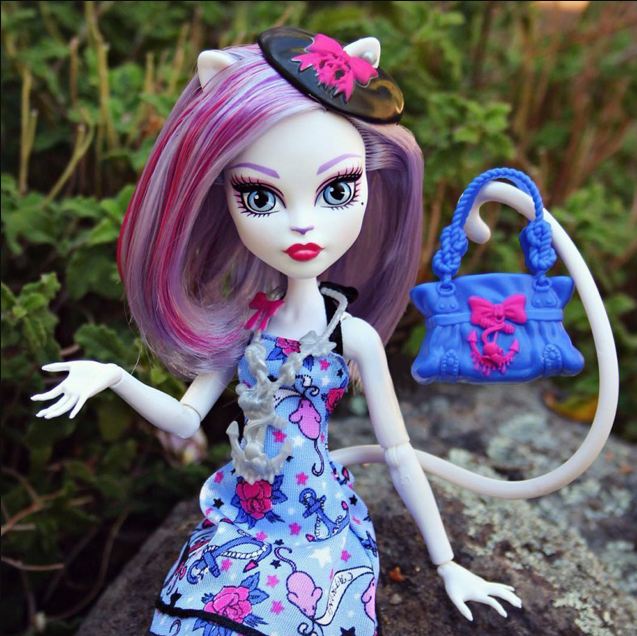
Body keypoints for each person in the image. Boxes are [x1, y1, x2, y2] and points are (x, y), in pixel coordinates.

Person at [32, 27, 524, 636]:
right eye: (261, 198)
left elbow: (398, 455)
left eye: (337, 190)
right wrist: (112, 376)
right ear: (224, 197)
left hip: (317, 522)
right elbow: (186, 421)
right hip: (246, 513)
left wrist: (448, 564)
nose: (302, 225)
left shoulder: (353, 338)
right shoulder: (245, 327)